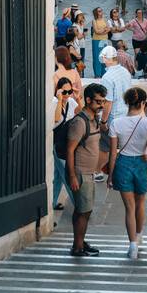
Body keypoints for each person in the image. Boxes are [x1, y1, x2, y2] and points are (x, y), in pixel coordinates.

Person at [108, 86, 147, 260]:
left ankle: (132, 245)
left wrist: (111, 176)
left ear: (126, 103)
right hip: (142, 162)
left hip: (123, 163)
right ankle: (139, 235)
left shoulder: (116, 123)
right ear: (143, 103)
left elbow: (113, 154)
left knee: (129, 208)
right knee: (140, 203)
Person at [64, 83, 108, 257]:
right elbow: (69, 149)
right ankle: (77, 247)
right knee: (84, 211)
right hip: (81, 173)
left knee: (84, 210)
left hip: (89, 173)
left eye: (103, 101)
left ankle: (80, 241)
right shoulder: (80, 122)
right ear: (88, 100)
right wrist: (73, 176)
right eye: (98, 101)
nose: (101, 105)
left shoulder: (93, 119)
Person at [52, 77, 77, 210]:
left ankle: (52, 202)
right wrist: (60, 99)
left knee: (58, 175)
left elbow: (79, 113)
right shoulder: (54, 101)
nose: (67, 94)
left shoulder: (71, 101)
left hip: (65, 142)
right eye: (65, 92)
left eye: (70, 91)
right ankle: (78, 206)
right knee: (66, 174)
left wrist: (78, 97)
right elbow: (56, 119)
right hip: (56, 144)